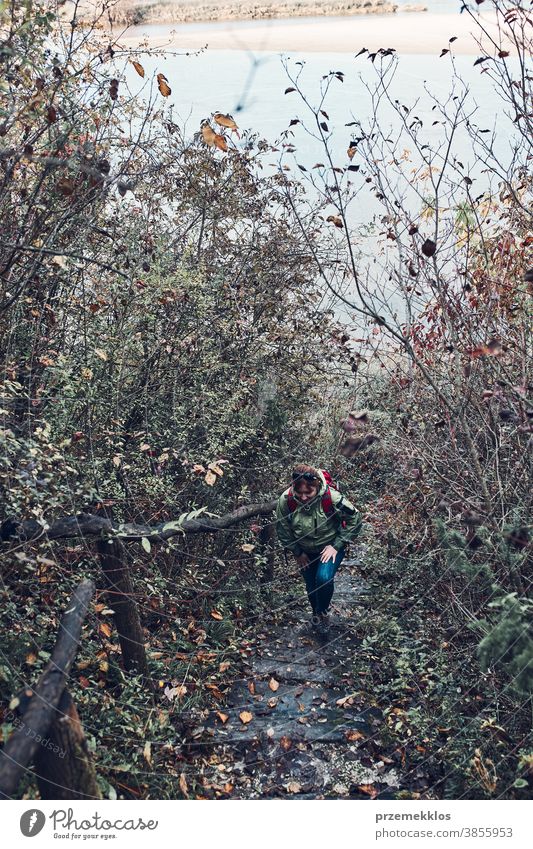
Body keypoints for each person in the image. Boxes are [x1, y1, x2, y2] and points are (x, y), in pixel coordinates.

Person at [275, 464, 362, 636]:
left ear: (317, 486)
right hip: (304, 550)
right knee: (310, 585)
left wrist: (337, 545)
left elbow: (355, 519)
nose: (304, 497)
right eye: (300, 493)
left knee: (323, 578)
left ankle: (322, 614)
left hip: (329, 547)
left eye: (309, 493)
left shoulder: (332, 497)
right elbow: (282, 529)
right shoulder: (286, 500)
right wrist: (297, 552)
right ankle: (316, 613)